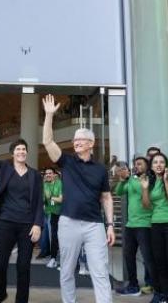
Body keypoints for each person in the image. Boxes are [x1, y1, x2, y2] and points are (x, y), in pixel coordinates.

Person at [42, 95, 115, 303]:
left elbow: (107, 197)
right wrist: (49, 116)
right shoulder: (67, 162)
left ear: (91, 143)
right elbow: (47, 141)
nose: (76, 142)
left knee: (100, 271)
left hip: (94, 225)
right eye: (74, 140)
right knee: (66, 270)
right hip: (69, 223)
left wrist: (110, 225)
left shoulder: (100, 169)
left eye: (80, 140)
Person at [0, 113, 44, 303]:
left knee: (24, 267)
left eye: (24, 149)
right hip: (6, 222)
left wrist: (38, 224)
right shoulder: (5, 169)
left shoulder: (34, 175)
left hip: (27, 226)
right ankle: (0, 296)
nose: (21, 152)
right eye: (18, 149)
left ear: (26, 153)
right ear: (12, 153)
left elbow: (39, 202)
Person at [113, 157, 157, 298]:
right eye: (135, 164)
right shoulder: (132, 180)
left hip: (145, 225)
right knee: (128, 256)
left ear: (147, 166)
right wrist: (122, 179)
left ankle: (160, 289)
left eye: (139, 164)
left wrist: (129, 178)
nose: (136, 166)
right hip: (131, 225)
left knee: (148, 259)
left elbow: (144, 198)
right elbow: (119, 192)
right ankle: (133, 286)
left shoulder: (150, 180)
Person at [141, 152, 168, 303]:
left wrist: (165, 180)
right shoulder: (149, 182)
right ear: (151, 167)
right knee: (160, 263)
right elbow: (146, 206)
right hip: (156, 225)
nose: (158, 165)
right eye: (155, 162)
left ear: (166, 165)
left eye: (162, 162)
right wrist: (144, 188)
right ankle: (167, 298)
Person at [43, 166, 62, 268]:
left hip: (62, 214)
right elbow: (43, 200)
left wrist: (51, 198)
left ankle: (63, 260)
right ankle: (53, 258)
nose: (48, 175)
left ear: (55, 174)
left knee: (62, 237)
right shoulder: (45, 185)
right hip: (51, 214)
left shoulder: (60, 183)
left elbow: (61, 199)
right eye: (46, 174)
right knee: (53, 237)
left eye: (50, 173)